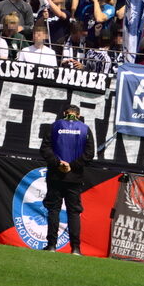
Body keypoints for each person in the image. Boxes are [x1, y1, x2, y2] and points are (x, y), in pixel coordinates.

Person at [39, 104, 94, 254]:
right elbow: (89, 154)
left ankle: (51, 246)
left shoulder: (54, 126)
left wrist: (58, 163)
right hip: (74, 178)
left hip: (55, 176)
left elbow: (44, 149)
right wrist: (72, 166)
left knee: (54, 210)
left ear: (64, 113)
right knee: (73, 212)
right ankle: (75, 249)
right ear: (79, 115)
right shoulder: (85, 129)